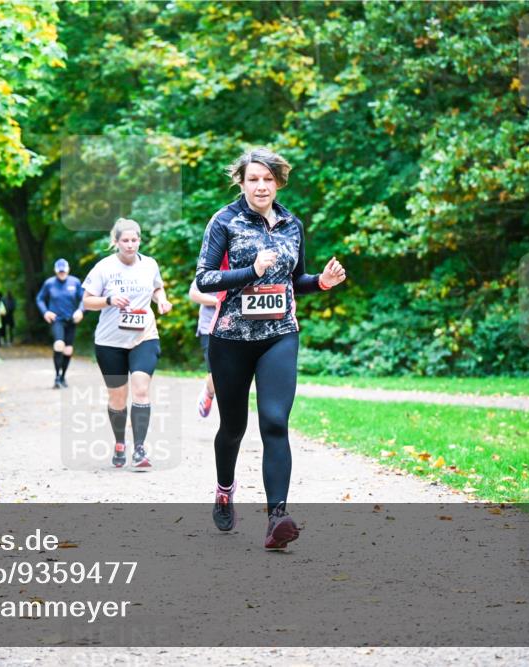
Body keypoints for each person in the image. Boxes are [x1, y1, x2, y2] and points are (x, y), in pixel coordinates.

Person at [195, 147, 347, 546]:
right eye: (253, 179)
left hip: (280, 334)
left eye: (268, 179)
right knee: (233, 427)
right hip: (230, 339)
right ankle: (225, 489)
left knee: (275, 422)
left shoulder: (291, 224)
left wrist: (322, 283)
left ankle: (276, 517)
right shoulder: (223, 221)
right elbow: (205, 280)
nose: (261, 186)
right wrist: (250, 271)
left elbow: (294, 280)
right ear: (242, 182)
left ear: (278, 182)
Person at [82, 218, 172, 470]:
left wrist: (161, 301)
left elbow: (157, 288)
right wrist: (109, 299)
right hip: (110, 341)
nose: (130, 245)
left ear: (140, 240)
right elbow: (87, 301)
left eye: (134, 240)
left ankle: (140, 448)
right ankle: (120, 442)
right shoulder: (104, 268)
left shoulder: (150, 264)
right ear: (116, 242)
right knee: (118, 398)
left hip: (144, 335)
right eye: (125, 241)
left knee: (141, 388)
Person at [36, 259, 85, 389]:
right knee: (59, 345)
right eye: (60, 271)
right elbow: (40, 299)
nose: (62, 273)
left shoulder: (75, 282)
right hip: (57, 320)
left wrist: (80, 311)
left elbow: (84, 299)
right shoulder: (49, 283)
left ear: (68, 270)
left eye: (64, 271)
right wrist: (46, 312)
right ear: (56, 271)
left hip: (71, 320)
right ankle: (57, 376)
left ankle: (63, 377)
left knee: (68, 350)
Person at [188, 279, 220, 418]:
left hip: (235, 329)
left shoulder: (243, 266)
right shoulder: (211, 266)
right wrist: (217, 301)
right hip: (209, 328)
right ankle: (209, 393)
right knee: (215, 371)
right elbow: (193, 294)